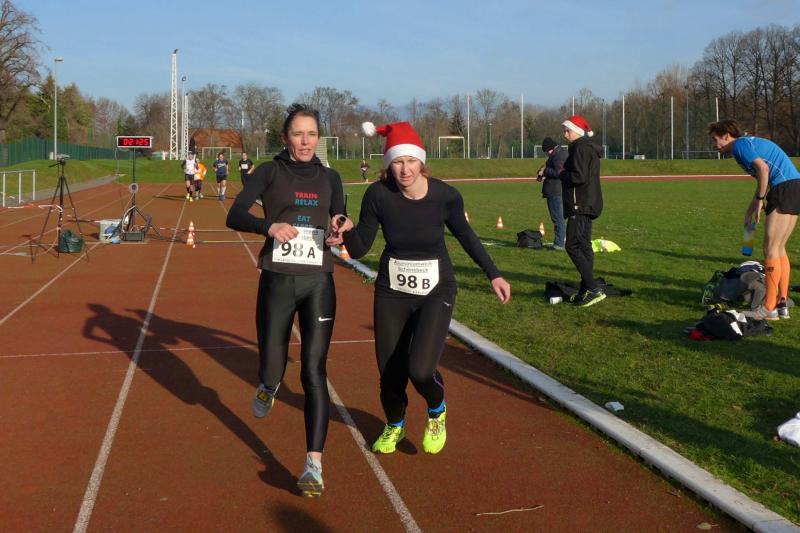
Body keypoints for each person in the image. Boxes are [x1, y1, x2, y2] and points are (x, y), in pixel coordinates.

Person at [340, 121, 511, 456]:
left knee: (420, 370)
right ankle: (395, 424)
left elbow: (466, 236)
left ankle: (436, 409)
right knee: (390, 372)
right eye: (397, 162)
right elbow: (359, 249)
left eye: (411, 161)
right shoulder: (378, 194)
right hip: (392, 292)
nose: (405, 169)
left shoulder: (445, 197)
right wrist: (346, 230)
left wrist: (493, 274)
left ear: (422, 162)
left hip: (436, 291)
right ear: (388, 164)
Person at [226, 104, 348, 497]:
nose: (305, 141)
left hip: (318, 283)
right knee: (272, 367)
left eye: (311, 134)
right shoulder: (269, 172)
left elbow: (340, 218)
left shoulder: (331, 177)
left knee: (314, 370)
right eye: (298, 134)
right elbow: (235, 214)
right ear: (285, 137)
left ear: (319, 138)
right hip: (278, 281)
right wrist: (269, 226)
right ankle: (268, 384)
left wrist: (339, 229)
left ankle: (314, 463)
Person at [709, 119, 800, 320]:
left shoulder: (739, 146)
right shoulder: (746, 144)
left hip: (784, 188)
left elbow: (763, 169)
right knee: (779, 248)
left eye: (715, 139)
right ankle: (781, 303)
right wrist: (753, 206)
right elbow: (762, 178)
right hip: (794, 187)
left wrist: (760, 200)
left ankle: (768, 307)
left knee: (770, 249)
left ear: (726, 135)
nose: (714, 144)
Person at [558, 114, 605, 306]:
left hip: (581, 203)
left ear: (576, 131)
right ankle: (585, 288)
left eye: (567, 130)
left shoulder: (580, 148)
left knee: (572, 245)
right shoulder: (586, 147)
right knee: (584, 245)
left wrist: (562, 173)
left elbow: (579, 176)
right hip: (588, 202)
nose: (565, 134)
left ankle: (593, 288)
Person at [537, 137, 567, 250]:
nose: (548, 153)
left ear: (552, 148)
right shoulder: (561, 153)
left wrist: (544, 171)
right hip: (558, 189)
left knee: (557, 218)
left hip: (556, 190)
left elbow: (558, 172)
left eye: (547, 151)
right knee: (560, 218)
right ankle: (562, 240)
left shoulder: (559, 155)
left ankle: (559, 244)